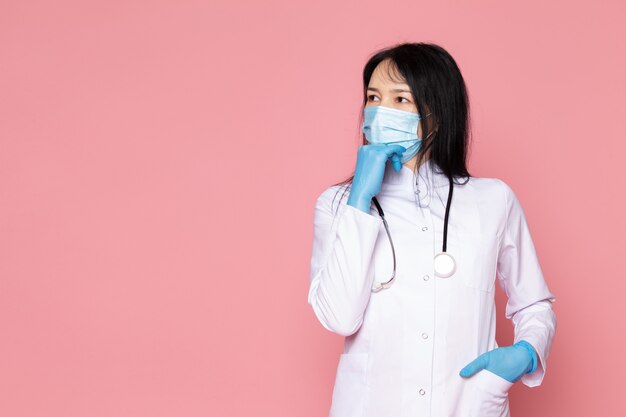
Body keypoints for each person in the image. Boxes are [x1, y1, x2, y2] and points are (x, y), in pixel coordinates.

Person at [307, 42, 557, 417]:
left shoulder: (493, 200)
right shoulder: (337, 204)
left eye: (400, 99)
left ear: (436, 113)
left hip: (466, 406)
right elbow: (340, 316)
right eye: (373, 97)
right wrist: (359, 200)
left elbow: (534, 303)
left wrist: (526, 353)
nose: (380, 111)